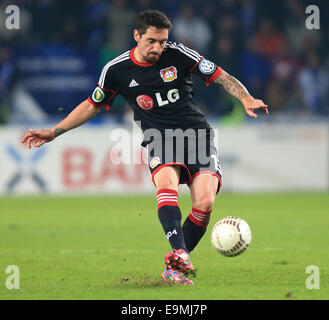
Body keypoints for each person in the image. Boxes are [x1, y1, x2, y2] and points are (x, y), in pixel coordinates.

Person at [21, 10, 268, 285]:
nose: (157, 48)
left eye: (162, 41)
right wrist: (55, 132)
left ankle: (175, 265)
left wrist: (246, 98)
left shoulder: (179, 54)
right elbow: (93, 103)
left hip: (197, 135)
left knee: (205, 203)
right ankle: (180, 256)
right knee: (166, 185)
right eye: (151, 41)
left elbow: (221, 76)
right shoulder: (117, 69)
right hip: (160, 137)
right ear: (136, 36)